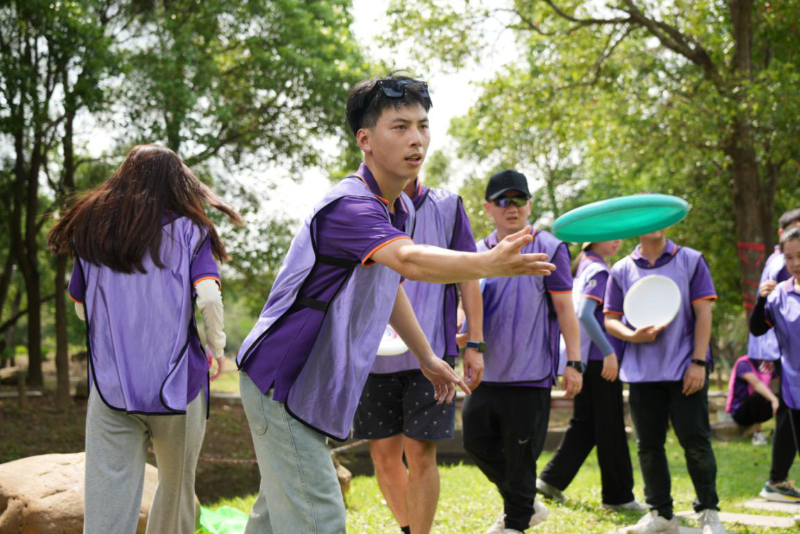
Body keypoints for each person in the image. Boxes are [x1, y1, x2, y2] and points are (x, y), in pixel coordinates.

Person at [235, 74, 557, 534]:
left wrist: (426, 355)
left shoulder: (395, 209)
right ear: (364, 139)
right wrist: (488, 262)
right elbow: (408, 260)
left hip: (307, 384)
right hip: (281, 378)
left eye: (423, 126)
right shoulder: (351, 207)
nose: (417, 139)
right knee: (321, 519)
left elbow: (390, 285)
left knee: (274, 519)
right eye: (400, 126)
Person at [47, 145, 240, 534]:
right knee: (176, 490)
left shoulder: (92, 229)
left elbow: (81, 306)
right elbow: (208, 296)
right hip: (178, 385)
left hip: (111, 385)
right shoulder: (193, 230)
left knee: (107, 495)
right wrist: (216, 348)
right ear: (177, 182)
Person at [352, 174, 483, 534]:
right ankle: (409, 529)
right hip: (373, 353)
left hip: (434, 352)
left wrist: (475, 343)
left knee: (421, 453)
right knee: (383, 456)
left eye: (420, 142)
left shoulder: (449, 206)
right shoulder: (357, 203)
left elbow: (469, 273)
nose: (413, 147)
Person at [460, 169, 584, 534]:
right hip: (485, 372)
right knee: (475, 441)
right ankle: (525, 503)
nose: (511, 207)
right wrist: (461, 330)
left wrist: (574, 362)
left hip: (530, 374)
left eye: (518, 199)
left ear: (529, 205)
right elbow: (466, 304)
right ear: (488, 208)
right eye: (502, 200)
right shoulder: (475, 253)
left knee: (520, 456)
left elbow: (566, 309)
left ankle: (515, 523)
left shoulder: (549, 248)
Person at [604, 228, 726, 534]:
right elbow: (610, 318)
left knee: (695, 443)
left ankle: (708, 512)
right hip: (642, 373)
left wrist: (698, 362)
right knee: (648, 447)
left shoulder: (691, 260)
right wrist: (632, 335)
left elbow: (704, 313)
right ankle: (660, 513)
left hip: (685, 369)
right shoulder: (621, 269)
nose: (653, 223)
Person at [537, 241, 645, 512]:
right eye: (610, 236)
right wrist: (609, 352)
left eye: (618, 236)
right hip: (600, 360)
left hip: (585, 360)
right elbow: (585, 314)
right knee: (611, 427)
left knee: (586, 423)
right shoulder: (599, 271)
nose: (617, 241)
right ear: (593, 239)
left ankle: (550, 480)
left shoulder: (583, 268)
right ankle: (618, 498)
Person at [745, 208, 800, 499]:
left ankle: (777, 479)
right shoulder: (780, 293)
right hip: (794, 387)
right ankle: (777, 481)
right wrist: (761, 300)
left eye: (799, 256)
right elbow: (757, 327)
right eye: (789, 258)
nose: (795, 263)